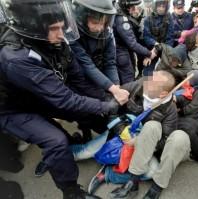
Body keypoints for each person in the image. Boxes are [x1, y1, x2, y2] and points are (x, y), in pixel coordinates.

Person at [0, 0, 119, 198]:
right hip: (13, 108)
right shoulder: (16, 57)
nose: (61, 34)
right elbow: (66, 100)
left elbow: (78, 81)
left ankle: (112, 136)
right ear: (33, 27)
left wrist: (108, 100)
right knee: (55, 141)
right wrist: (106, 105)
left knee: (87, 110)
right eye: (55, 29)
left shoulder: (55, 42)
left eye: (63, 27)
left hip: (38, 95)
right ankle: (71, 191)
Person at [109, 71, 191, 199]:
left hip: (147, 148)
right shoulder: (139, 85)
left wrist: (138, 141)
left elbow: (164, 141)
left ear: (163, 93)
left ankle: (156, 188)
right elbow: (113, 102)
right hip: (124, 136)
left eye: (153, 83)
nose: (147, 82)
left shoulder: (170, 110)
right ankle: (133, 182)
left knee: (158, 128)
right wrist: (121, 130)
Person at [71, 0, 129, 105]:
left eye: (103, 23)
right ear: (83, 18)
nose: (99, 28)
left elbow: (110, 63)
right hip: (81, 79)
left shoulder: (107, 33)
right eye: (95, 22)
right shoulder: (73, 36)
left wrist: (116, 86)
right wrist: (113, 89)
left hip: (99, 73)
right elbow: (86, 65)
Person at [114, 0, 156, 84]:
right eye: (132, 7)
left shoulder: (122, 14)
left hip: (125, 49)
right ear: (126, 6)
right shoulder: (122, 20)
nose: (134, 10)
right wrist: (149, 53)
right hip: (121, 51)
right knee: (128, 78)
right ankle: (130, 95)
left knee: (132, 71)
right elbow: (132, 43)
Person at [143, 0, 174, 76]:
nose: (161, 8)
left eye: (163, 6)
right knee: (147, 72)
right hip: (152, 49)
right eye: (159, 6)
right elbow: (146, 36)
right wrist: (155, 45)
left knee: (168, 72)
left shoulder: (170, 18)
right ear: (155, 6)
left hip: (165, 48)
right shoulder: (148, 19)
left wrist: (161, 48)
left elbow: (170, 37)